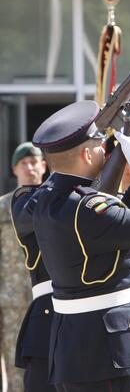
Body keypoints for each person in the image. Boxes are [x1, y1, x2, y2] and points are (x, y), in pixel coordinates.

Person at [28, 99, 130, 392]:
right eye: (101, 145)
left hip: (73, 348)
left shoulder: (48, 200)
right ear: (87, 155)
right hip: (103, 351)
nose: (106, 150)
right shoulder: (88, 209)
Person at [0, 143, 46, 391]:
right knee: (16, 364)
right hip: (13, 301)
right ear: (14, 169)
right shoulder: (3, 208)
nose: (29, 167)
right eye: (23, 163)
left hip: (50, 296)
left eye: (34, 162)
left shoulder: (55, 202)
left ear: (44, 166)